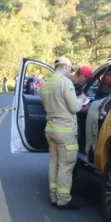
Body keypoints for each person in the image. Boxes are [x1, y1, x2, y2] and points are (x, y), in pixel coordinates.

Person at [40, 56, 85, 210]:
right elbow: (74, 108)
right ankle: (63, 199)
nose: (70, 73)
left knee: (54, 164)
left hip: (50, 129)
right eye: (70, 70)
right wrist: (81, 99)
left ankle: (54, 196)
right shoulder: (65, 83)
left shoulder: (46, 84)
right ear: (66, 66)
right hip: (65, 131)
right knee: (66, 166)